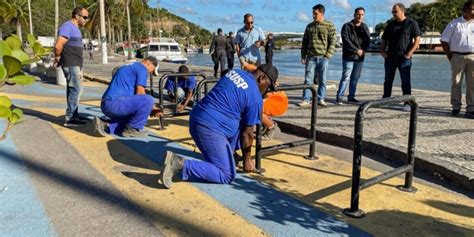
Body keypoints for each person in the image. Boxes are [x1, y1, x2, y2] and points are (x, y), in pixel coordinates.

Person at [160, 64, 279, 188]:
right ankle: (179, 163)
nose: (267, 92)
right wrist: (247, 160)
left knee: (241, 120)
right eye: (269, 87)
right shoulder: (255, 98)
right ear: (262, 78)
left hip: (197, 116)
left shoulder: (235, 72)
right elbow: (247, 134)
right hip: (208, 128)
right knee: (226, 174)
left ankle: (229, 155)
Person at [94, 57, 162, 138]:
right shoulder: (142, 69)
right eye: (152, 70)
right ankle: (133, 129)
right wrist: (154, 109)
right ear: (148, 64)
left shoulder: (128, 66)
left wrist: (147, 110)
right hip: (115, 104)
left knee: (133, 118)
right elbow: (140, 93)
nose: (150, 73)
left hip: (106, 104)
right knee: (148, 100)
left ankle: (106, 126)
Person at [380, 3, 420, 111]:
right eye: (392, 12)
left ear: (402, 11)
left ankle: (407, 102)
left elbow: (417, 39)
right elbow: (384, 39)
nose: (393, 14)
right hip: (390, 57)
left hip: (404, 58)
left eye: (395, 12)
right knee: (388, 80)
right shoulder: (390, 24)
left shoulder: (411, 23)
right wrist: (382, 51)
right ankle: (386, 99)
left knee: (405, 81)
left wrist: (410, 53)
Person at [54, 6, 89, 127]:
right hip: (71, 63)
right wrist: (58, 57)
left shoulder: (75, 28)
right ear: (77, 16)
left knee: (73, 89)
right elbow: (58, 45)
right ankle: (70, 118)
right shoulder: (67, 26)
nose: (86, 19)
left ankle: (74, 115)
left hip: (75, 63)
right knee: (76, 90)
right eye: (84, 17)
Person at [440, 1, 474, 118]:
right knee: (456, 82)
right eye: (471, 9)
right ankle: (456, 106)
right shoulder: (454, 24)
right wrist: (450, 56)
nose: (473, 12)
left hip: (473, 56)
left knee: (472, 83)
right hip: (457, 56)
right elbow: (444, 40)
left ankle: (471, 107)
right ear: (464, 10)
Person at [299, 4, 336, 107]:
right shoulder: (309, 26)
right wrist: (303, 56)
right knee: (308, 79)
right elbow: (304, 42)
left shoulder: (330, 25)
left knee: (323, 80)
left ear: (321, 13)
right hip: (310, 57)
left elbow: (333, 41)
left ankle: (321, 98)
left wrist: (328, 55)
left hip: (323, 57)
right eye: (313, 14)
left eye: (315, 13)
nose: (313, 16)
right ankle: (306, 99)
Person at [336, 7, 371, 104]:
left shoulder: (365, 27)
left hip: (360, 57)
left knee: (355, 78)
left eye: (362, 15)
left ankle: (351, 96)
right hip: (349, 56)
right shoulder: (347, 26)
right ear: (354, 14)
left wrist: (364, 50)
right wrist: (356, 50)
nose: (360, 16)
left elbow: (368, 40)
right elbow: (346, 41)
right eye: (358, 14)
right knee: (346, 76)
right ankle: (339, 96)